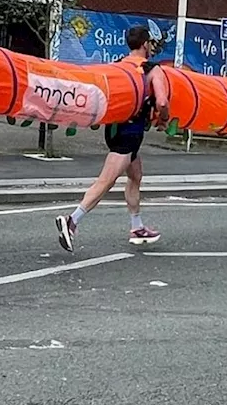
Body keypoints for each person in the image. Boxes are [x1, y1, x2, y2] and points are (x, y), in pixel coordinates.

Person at [56, 25, 170, 252]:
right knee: (105, 181)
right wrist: (164, 118)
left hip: (114, 128)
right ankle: (72, 221)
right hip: (130, 133)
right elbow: (163, 102)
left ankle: (137, 227)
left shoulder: (119, 65)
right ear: (146, 44)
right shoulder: (151, 69)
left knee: (135, 175)